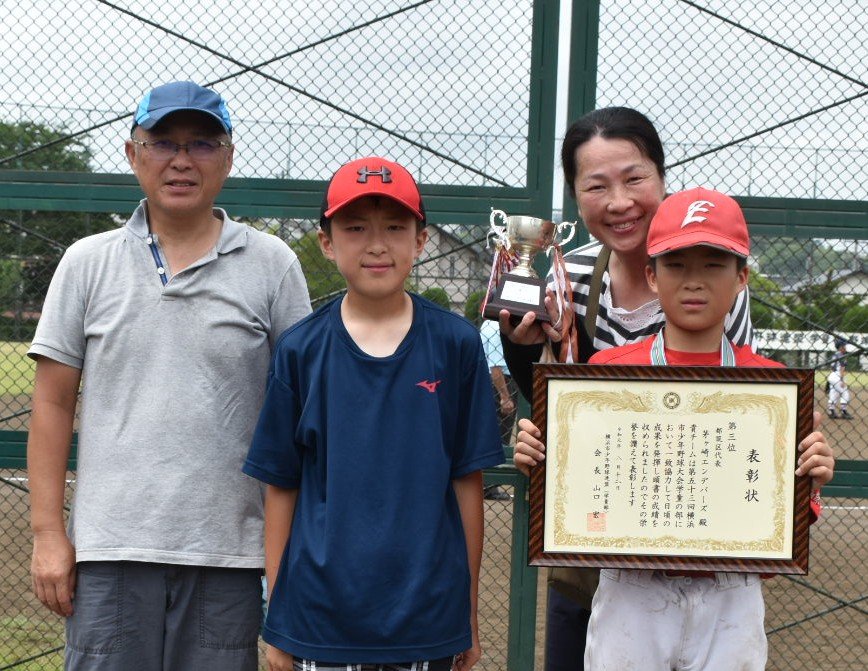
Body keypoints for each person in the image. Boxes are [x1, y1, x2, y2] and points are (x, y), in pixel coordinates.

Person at [27, 81, 311, 671]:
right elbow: (53, 405)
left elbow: (300, 413)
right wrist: (47, 534)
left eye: (203, 144)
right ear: (133, 154)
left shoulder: (273, 265)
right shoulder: (87, 262)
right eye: (162, 142)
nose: (182, 160)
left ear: (228, 158)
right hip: (108, 552)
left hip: (229, 556)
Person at [515, 187, 835, 670]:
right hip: (632, 588)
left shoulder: (771, 386)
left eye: (714, 265)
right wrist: (540, 460)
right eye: (677, 264)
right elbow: (576, 493)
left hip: (731, 593)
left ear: (741, 277)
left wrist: (808, 479)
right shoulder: (606, 372)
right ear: (651, 274)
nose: (694, 282)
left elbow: (780, 535)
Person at [502, 107, 757, 671]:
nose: (619, 202)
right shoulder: (566, 277)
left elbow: (736, 414)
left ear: (662, 178)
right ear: (575, 197)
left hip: (694, 546)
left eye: (634, 179)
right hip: (594, 549)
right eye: (596, 186)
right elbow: (561, 405)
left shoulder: (718, 287)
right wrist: (524, 358)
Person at [242, 157, 504, 671]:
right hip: (320, 619)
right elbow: (281, 485)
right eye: (356, 227)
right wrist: (278, 615)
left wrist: (467, 611)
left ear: (421, 240)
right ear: (326, 241)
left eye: (395, 227)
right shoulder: (300, 350)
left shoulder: (456, 344)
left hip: (426, 619)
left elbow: (466, 481)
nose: (377, 244)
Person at [480, 318, 516, 501]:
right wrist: (505, 397)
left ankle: (486, 483)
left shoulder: (486, 324)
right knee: (501, 434)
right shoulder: (496, 327)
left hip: (488, 381)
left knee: (488, 432)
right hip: (502, 383)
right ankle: (490, 486)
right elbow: (496, 367)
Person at [827, 339, 853, 419]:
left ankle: (831, 411)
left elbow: (832, 368)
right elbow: (842, 368)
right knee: (845, 393)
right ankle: (843, 412)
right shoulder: (842, 355)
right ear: (841, 347)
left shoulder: (835, 355)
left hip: (832, 376)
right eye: (844, 346)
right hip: (838, 376)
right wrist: (842, 380)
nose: (845, 347)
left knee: (834, 393)